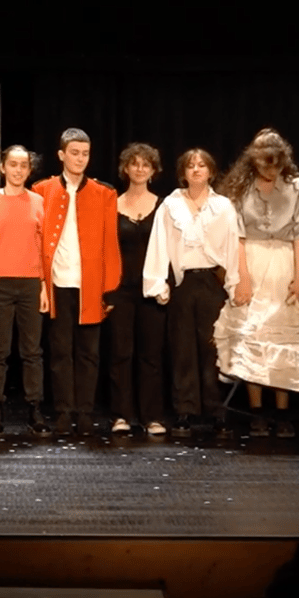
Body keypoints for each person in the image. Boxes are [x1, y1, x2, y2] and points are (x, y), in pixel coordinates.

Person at [214, 128, 299, 439]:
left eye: (276, 166)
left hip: (284, 262)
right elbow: (236, 235)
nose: (270, 171)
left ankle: (282, 412)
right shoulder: (240, 187)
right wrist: (242, 277)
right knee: (253, 336)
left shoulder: (295, 186)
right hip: (251, 259)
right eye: (265, 165)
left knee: (284, 339)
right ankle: (257, 411)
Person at [142, 148, 242, 439]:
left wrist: (234, 284)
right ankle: (184, 409)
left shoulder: (223, 206)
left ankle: (217, 410)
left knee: (213, 347)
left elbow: (232, 246)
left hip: (212, 281)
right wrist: (158, 283)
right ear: (183, 173)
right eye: (190, 166)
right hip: (184, 281)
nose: (196, 170)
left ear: (211, 171)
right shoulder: (171, 204)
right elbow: (159, 243)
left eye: (202, 165)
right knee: (182, 348)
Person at [31, 128, 121, 436]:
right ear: (61, 155)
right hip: (58, 283)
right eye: (74, 153)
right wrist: (40, 284)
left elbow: (110, 244)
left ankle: (84, 411)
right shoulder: (41, 190)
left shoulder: (104, 193)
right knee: (60, 352)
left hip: (90, 286)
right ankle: (63, 410)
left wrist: (110, 288)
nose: (80, 159)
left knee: (88, 353)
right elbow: (37, 240)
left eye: (85, 154)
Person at [0, 144, 48, 437]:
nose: (18, 170)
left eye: (23, 165)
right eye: (13, 164)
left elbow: (43, 247)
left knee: (32, 351)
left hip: (31, 282)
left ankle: (35, 407)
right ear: (2, 167)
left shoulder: (38, 202)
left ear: (29, 170)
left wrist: (44, 285)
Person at [107, 143, 168, 436]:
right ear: (125, 168)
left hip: (152, 291)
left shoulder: (163, 206)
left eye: (146, 164)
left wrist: (166, 284)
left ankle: (151, 417)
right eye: (135, 164)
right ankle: (121, 415)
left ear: (153, 170)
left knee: (151, 356)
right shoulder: (112, 205)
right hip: (121, 289)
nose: (140, 169)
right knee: (120, 353)